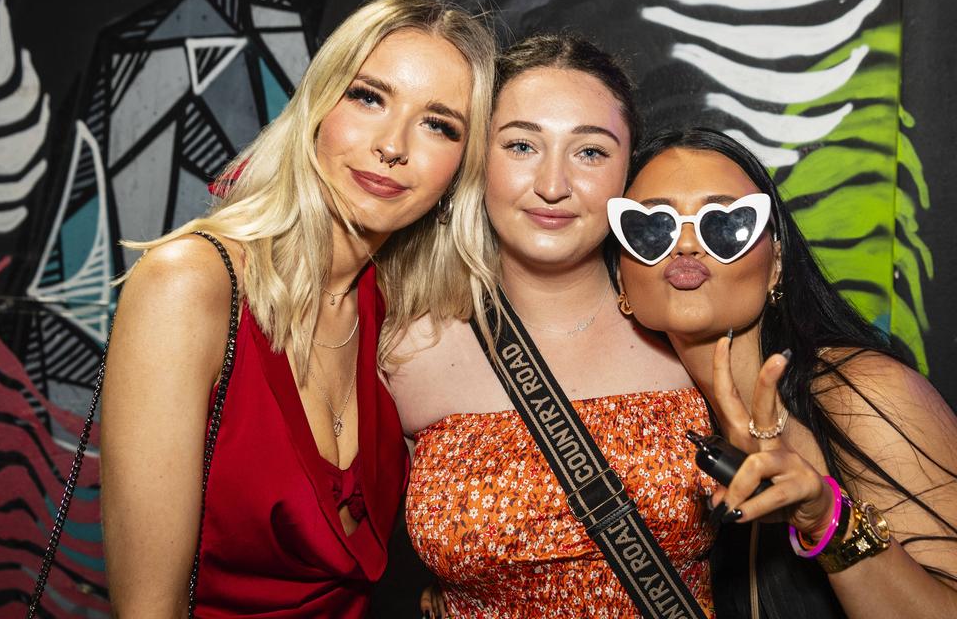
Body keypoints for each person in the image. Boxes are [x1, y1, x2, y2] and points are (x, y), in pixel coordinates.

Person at [98, 0, 496, 618]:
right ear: (317, 107)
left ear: (461, 173)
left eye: (438, 124)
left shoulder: (401, 320)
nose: (393, 144)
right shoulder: (190, 285)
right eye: (369, 97)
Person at [388, 34, 718, 618]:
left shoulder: (689, 330)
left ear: (628, 175)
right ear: (475, 162)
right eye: (520, 145)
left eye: (590, 152)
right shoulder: (406, 348)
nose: (553, 185)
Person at [611, 127, 957, 617]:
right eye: (652, 229)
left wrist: (827, 520)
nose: (686, 244)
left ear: (775, 263)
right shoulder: (660, 436)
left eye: (725, 225)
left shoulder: (860, 394)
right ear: (620, 276)